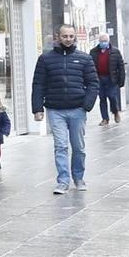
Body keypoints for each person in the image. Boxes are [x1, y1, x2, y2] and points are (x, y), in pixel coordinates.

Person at [31, 23, 98, 195]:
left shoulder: (84, 58)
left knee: (78, 147)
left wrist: (87, 105)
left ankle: (78, 177)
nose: (68, 39)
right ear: (57, 37)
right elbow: (38, 84)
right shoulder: (45, 59)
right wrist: (37, 108)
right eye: (64, 36)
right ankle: (63, 181)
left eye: (70, 36)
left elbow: (93, 83)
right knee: (60, 146)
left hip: (78, 109)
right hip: (55, 110)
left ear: (74, 37)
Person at [93, 33, 127, 125]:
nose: (103, 43)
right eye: (101, 41)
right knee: (102, 98)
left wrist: (121, 80)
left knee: (112, 96)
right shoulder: (93, 52)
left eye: (105, 41)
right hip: (99, 78)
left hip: (111, 78)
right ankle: (105, 118)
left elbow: (121, 67)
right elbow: (90, 66)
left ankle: (115, 112)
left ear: (108, 41)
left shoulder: (115, 51)